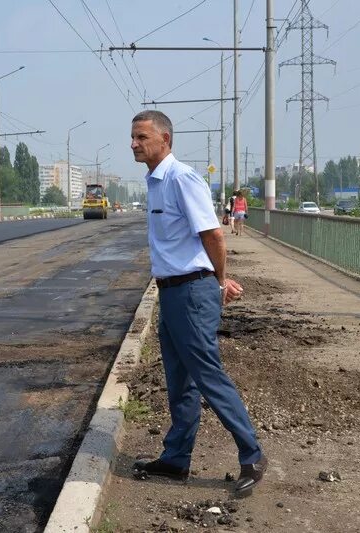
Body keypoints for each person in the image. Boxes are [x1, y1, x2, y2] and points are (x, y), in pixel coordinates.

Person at [130, 110, 267, 496]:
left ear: (165, 140)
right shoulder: (155, 182)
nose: (134, 144)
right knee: (180, 380)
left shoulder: (181, 179)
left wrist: (217, 283)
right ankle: (176, 460)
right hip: (173, 292)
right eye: (133, 137)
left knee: (208, 375)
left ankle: (252, 455)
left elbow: (214, 237)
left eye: (142, 137)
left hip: (191, 293)